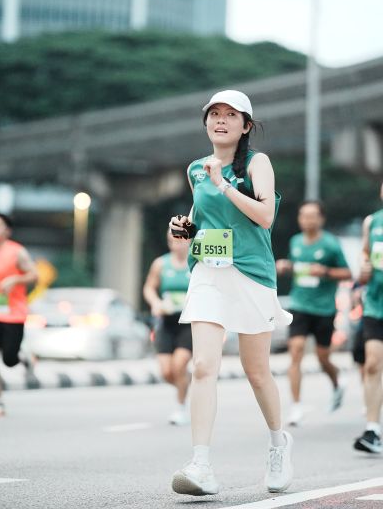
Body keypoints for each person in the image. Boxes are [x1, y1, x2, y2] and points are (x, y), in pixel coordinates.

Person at [169, 89, 294, 497]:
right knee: (203, 365)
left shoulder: (257, 163)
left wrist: (223, 184)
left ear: (246, 125)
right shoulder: (196, 169)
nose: (220, 121)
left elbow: (265, 215)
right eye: (214, 114)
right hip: (208, 271)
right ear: (206, 121)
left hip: (252, 273)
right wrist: (183, 226)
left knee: (256, 371)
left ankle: (278, 444)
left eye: (230, 115)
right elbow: (200, 216)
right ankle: (201, 464)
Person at [276, 201, 351, 426]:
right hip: (300, 305)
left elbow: (347, 273)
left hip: (324, 308)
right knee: (296, 351)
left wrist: (325, 271)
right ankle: (296, 406)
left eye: (312, 216)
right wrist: (286, 267)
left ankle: (337, 382)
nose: (307, 220)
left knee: (322, 357)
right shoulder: (295, 241)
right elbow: (298, 268)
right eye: (303, 216)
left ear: (321, 219)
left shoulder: (330, 244)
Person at [0, 212, 38, 417]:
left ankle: (24, 359)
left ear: (7, 231)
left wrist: (15, 280)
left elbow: (35, 275)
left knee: (8, 358)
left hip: (13, 315)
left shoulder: (17, 252)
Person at [143, 231, 192, 426]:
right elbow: (149, 288)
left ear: (188, 240)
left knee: (179, 365)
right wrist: (155, 302)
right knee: (167, 372)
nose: (175, 246)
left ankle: (180, 408)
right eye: (171, 242)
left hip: (188, 322)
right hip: (166, 321)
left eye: (179, 241)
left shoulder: (196, 262)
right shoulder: (160, 264)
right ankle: (185, 382)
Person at [354, 182, 383, 454]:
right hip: (376, 304)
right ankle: (372, 430)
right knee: (372, 363)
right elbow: (366, 253)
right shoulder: (372, 222)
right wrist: (363, 269)